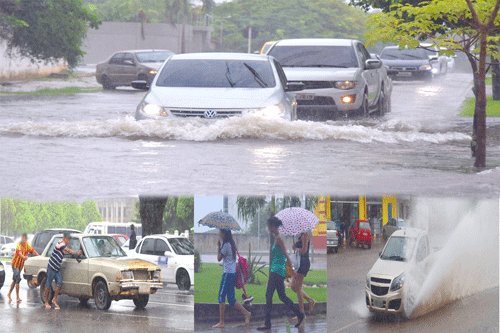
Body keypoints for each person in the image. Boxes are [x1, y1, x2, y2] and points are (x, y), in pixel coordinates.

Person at [257, 216, 305, 331]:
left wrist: (292, 269)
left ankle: (267, 323)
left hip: (277, 271)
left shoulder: (279, 239)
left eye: (268, 225)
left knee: (269, 296)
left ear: (273, 226)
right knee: (282, 296)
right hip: (276, 271)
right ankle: (300, 314)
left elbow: (286, 254)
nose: (267, 227)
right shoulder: (277, 238)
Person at [213, 229, 251, 328]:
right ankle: (247, 313)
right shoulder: (231, 244)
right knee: (231, 299)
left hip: (227, 274)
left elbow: (218, 258)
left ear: (225, 234)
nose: (219, 234)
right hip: (232, 273)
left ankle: (221, 322)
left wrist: (218, 247)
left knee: (221, 296)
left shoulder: (226, 245)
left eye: (221, 232)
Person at [44, 232, 80, 309]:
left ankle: (54, 300)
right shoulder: (61, 243)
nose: (68, 241)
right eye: (68, 240)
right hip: (52, 267)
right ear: (64, 238)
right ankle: (46, 301)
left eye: (69, 240)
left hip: (57, 268)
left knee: (59, 284)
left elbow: (69, 251)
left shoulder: (64, 245)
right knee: (48, 284)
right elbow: (69, 251)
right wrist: (77, 253)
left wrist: (76, 254)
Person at [291, 231, 316, 319]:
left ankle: (301, 314)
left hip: (303, 263)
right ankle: (310, 300)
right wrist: (294, 247)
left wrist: (296, 249)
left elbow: (304, 250)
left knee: (298, 289)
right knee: (293, 287)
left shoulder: (305, 235)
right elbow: (297, 249)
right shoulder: (300, 235)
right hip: (299, 263)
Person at [7, 234, 39, 303]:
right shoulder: (18, 245)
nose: (23, 240)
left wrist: (39, 256)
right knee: (18, 279)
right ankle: (17, 297)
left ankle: (9, 293)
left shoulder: (28, 245)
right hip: (15, 265)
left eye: (25, 238)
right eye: (22, 238)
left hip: (20, 266)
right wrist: (25, 257)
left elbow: (33, 251)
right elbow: (20, 255)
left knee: (15, 280)